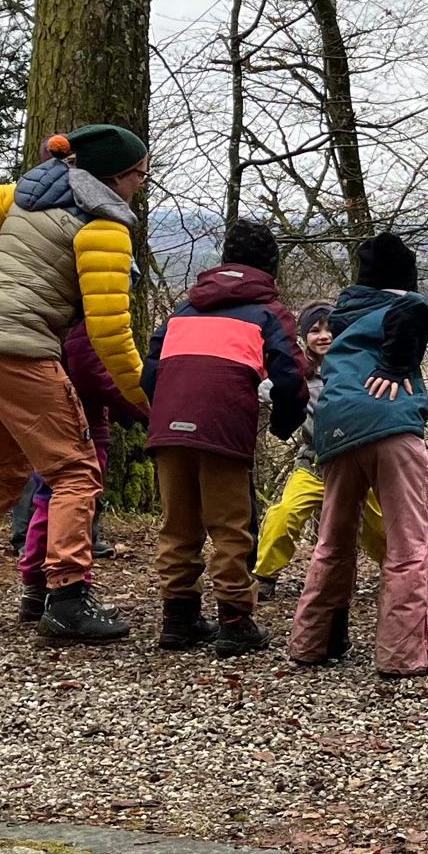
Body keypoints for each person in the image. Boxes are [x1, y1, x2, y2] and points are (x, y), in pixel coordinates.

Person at [0, 124, 151, 643]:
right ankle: (67, 599)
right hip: (18, 347)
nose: (141, 185)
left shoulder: (30, 198)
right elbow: (110, 333)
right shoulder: (104, 228)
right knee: (75, 471)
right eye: (139, 175)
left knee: (5, 469)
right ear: (116, 176)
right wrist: (144, 397)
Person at [142, 219, 308, 657]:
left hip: (168, 427)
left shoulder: (183, 310)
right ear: (271, 266)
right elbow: (291, 376)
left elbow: (150, 371)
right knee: (230, 526)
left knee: (178, 525)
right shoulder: (268, 312)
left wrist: (167, 412)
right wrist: (285, 423)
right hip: (222, 429)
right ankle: (234, 622)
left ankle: (178, 619)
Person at [288, 233, 428, 677]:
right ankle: (401, 657)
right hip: (391, 425)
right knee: (407, 544)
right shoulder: (406, 304)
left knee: (332, 540)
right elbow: (416, 310)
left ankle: (311, 643)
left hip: (335, 430)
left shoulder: (345, 314)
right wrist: (394, 366)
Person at [253, 301, 387, 600]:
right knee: (284, 514)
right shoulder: (297, 375)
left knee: (379, 526)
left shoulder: (359, 368)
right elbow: (265, 388)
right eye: (315, 330)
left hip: (357, 465)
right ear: (305, 337)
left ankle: (396, 573)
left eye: (330, 329)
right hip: (313, 465)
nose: (324, 336)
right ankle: (264, 576)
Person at [17, 317, 148, 620]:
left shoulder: (52, 321)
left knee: (47, 501)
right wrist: (138, 406)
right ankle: (71, 589)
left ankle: (36, 586)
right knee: (77, 502)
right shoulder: (86, 324)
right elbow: (93, 373)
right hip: (81, 426)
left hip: (51, 423)